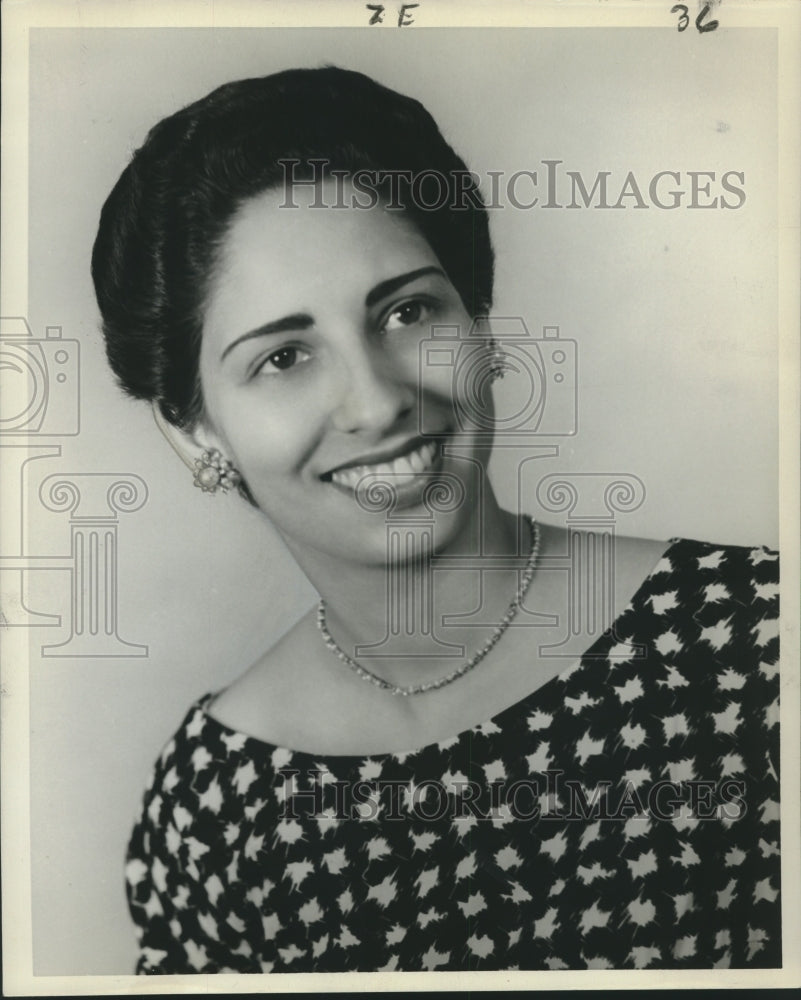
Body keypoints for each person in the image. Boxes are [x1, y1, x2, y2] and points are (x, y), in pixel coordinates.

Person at [92, 66, 780, 973]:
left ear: (480, 323)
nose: (376, 403)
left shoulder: (756, 639)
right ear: (194, 431)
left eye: (408, 311)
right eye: (285, 357)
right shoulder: (216, 812)